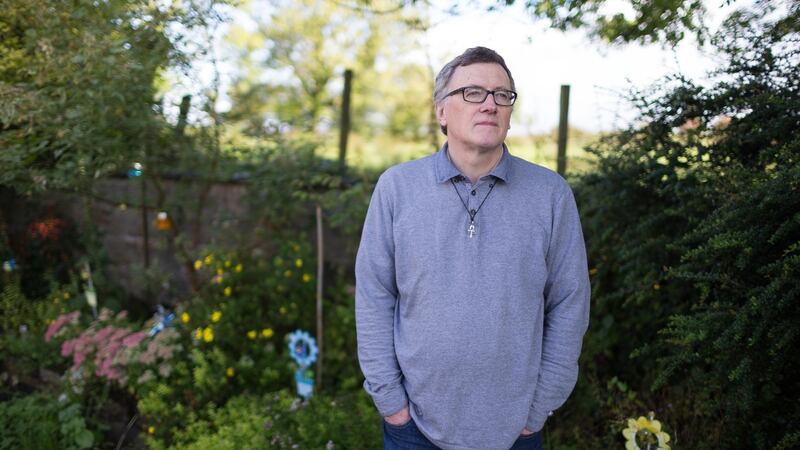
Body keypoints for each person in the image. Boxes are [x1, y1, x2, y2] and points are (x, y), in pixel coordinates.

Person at [355, 46, 590, 450]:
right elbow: (374, 294)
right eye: (473, 93)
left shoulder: (550, 195)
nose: (490, 105)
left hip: (516, 430)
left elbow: (570, 301)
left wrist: (538, 409)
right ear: (442, 112)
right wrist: (391, 401)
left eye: (502, 95)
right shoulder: (397, 188)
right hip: (413, 429)